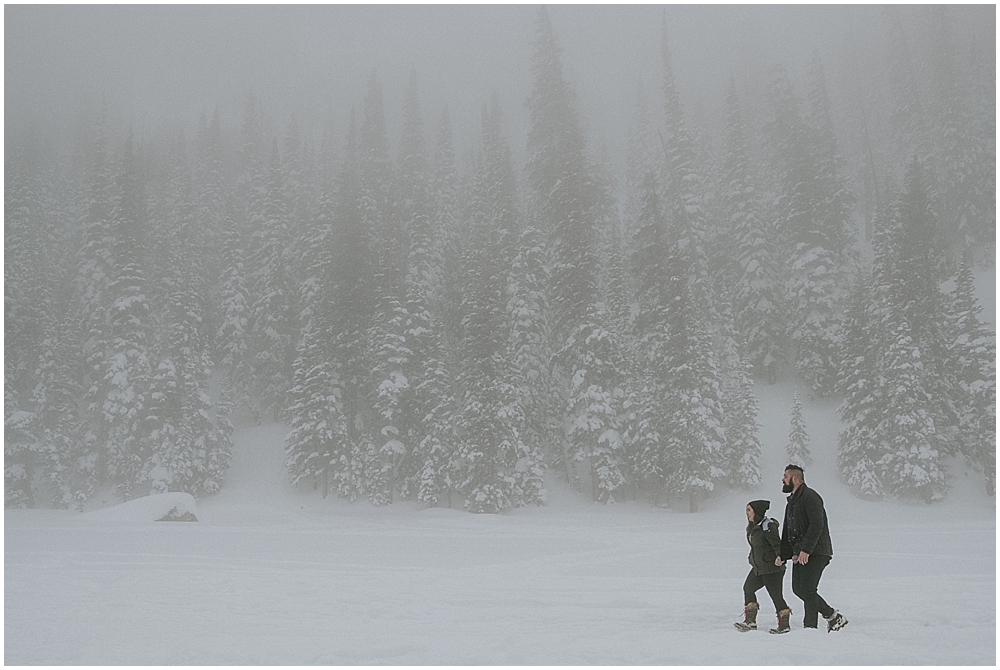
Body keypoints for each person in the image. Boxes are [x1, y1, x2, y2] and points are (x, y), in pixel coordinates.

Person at [780, 464, 848, 632]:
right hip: (800, 552)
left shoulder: (811, 497)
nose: (782, 479)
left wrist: (807, 549)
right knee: (798, 589)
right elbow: (787, 530)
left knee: (808, 589)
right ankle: (833, 616)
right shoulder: (791, 503)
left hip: (816, 551)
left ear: (795, 479)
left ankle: (810, 629)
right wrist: (783, 554)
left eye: (785, 476)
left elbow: (817, 524)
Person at [734, 499, 792, 634]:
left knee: (776, 595)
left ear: (757, 512)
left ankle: (784, 626)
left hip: (772, 568)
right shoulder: (754, 527)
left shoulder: (768, 526)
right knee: (748, 588)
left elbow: (777, 543)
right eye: (746, 510)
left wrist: (780, 557)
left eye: (749, 510)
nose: (747, 513)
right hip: (759, 567)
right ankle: (751, 622)